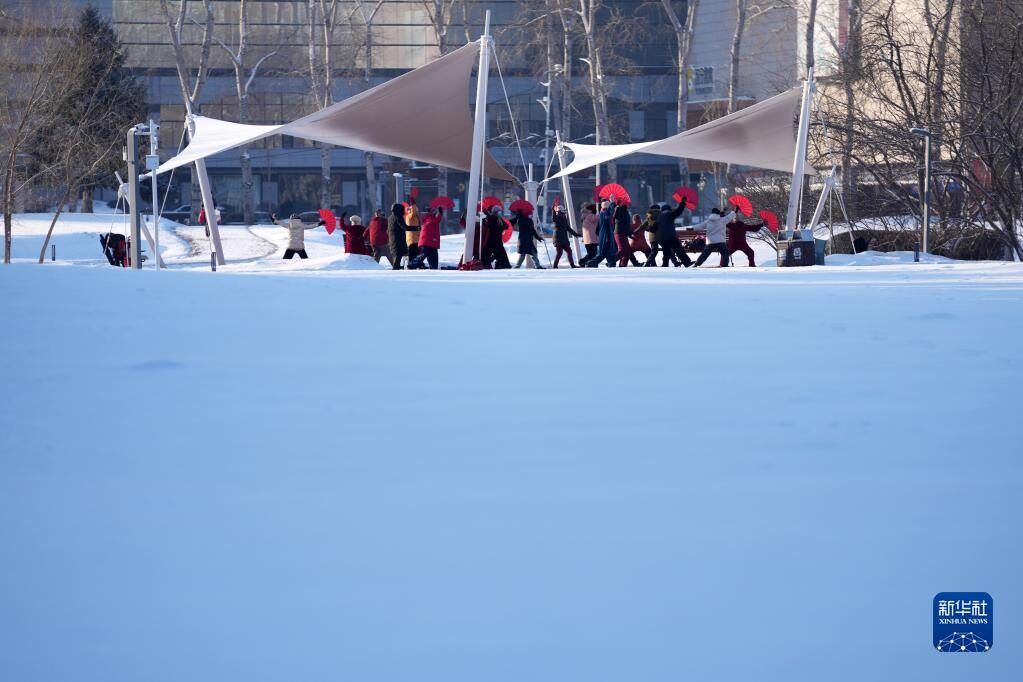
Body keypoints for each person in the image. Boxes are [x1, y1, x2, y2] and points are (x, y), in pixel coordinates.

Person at [655, 198, 693, 267]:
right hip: (671, 237)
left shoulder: (659, 217)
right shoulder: (669, 214)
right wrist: (683, 203)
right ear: (669, 209)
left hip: (662, 238)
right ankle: (687, 263)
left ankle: (665, 265)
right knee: (679, 250)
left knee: (666, 253)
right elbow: (678, 211)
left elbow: (654, 228)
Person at [586, 199, 618, 267]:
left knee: (609, 253)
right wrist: (612, 202)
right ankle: (591, 263)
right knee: (602, 253)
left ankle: (611, 263)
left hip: (606, 236)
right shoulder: (604, 214)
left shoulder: (602, 214)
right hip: (606, 236)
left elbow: (597, 229)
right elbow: (610, 213)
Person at [551, 203, 580, 268]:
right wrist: (553, 210)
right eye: (563, 211)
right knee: (560, 253)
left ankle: (572, 265)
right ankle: (555, 266)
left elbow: (568, 228)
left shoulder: (564, 218)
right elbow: (554, 219)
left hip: (563, 238)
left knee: (568, 251)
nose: (564, 212)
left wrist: (576, 234)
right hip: (558, 238)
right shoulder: (557, 217)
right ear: (560, 211)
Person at [387, 203, 408, 270]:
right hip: (398, 239)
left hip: (392, 239)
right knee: (398, 256)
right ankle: (396, 268)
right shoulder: (398, 217)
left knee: (396, 255)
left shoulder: (390, 217)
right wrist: (416, 228)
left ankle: (397, 267)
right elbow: (403, 226)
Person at [613, 202, 634, 267]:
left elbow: (627, 223)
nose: (627, 204)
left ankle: (623, 265)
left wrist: (630, 232)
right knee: (622, 249)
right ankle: (612, 261)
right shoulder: (618, 210)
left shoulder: (626, 212)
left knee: (628, 251)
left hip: (624, 233)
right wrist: (617, 207)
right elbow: (614, 217)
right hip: (619, 232)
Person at [404, 197, 421, 264]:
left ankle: (415, 264)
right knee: (413, 253)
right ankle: (411, 264)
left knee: (416, 253)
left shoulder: (415, 216)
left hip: (415, 238)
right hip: (412, 239)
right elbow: (413, 210)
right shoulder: (410, 216)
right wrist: (413, 203)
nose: (417, 210)